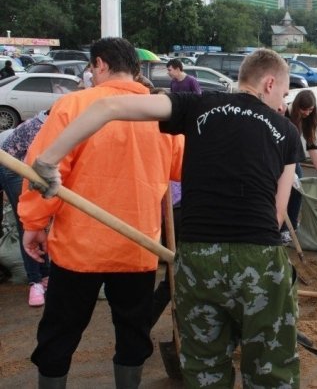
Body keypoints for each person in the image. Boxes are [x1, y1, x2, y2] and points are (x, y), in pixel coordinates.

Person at [28, 48, 302, 388]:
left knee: (204, 366)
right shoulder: (287, 132)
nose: (282, 104)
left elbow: (107, 107)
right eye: (284, 95)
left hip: (198, 257)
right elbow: (278, 215)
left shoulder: (196, 105)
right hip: (259, 255)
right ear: (270, 83)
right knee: (270, 366)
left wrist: (48, 160)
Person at [18, 37, 184, 388]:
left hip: (81, 248)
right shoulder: (162, 112)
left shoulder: (74, 106)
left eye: (91, 69)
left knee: (60, 332)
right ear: (136, 71)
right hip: (138, 246)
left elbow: (42, 171)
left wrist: (33, 224)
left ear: (100, 64)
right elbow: (184, 167)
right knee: (133, 333)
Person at [0, 110, 50, 306]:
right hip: (14, 166)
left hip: (34, 167)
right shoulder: (49, 126)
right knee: (28, 221)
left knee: (41, 221)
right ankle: (35, 281)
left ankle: (45, 275)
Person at [280, 89, 317, 245]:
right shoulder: (283, 115)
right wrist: (287, 172)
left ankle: (292, 226)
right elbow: (279, 146)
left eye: (310, 109)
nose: (307, 113)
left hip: (293, 158)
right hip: (280, 157)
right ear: (296, 106)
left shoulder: (307, 118)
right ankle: (282, 230)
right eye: (304, 109)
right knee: (284, 193)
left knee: (298, 191)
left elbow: (311, 144)